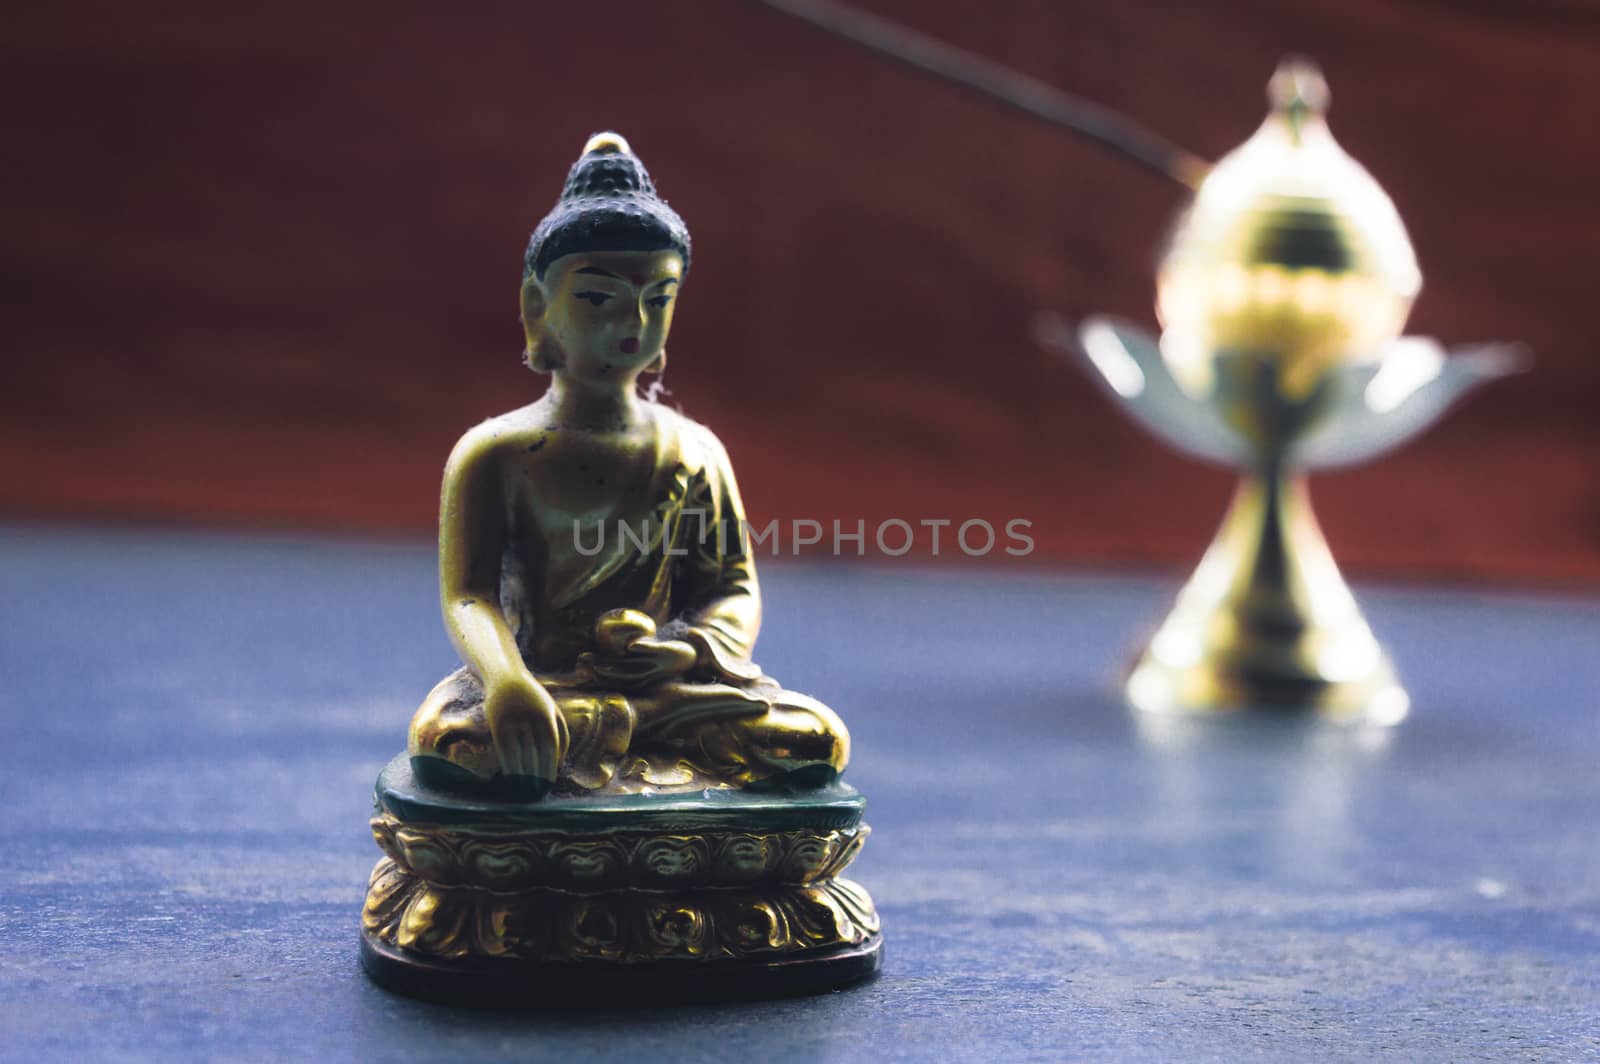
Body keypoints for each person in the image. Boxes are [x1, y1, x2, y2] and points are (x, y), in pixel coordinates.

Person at [408, 133, 849, 797]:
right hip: (548, 685)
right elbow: (470, 596)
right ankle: (604, 734)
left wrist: (690, 651)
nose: (634, 321)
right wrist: (506, 682)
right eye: (598, 297)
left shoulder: (695, 451)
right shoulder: (496, 453)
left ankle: (625, 731)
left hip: (670, 690)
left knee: (815, 740)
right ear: (537, 308)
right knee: (455, 743)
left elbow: (731, 587)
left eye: (659, 297)